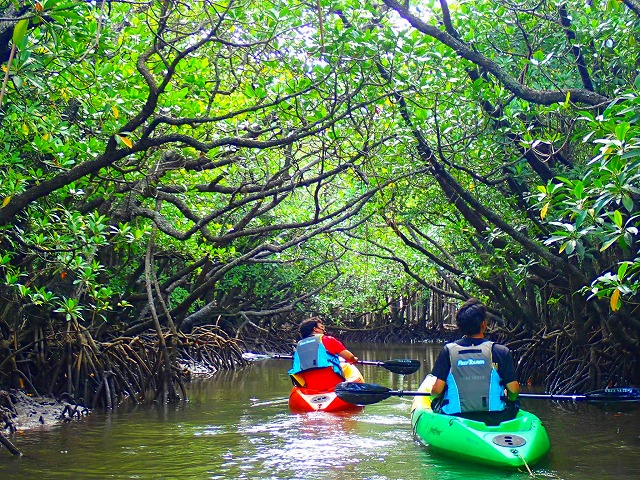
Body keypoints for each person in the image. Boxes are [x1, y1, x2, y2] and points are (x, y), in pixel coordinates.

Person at [430, 298, 520, 424]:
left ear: (460, 326)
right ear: (483, 324)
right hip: (495, 417)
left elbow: (436, 391)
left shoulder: (448, 351)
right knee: (515, 401)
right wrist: (509, 399)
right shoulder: (500, 351)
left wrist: (435, 395)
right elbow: (514, 390)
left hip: (457, 417)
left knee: (436, 401)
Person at [288, 317, 359, 391]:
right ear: (315, 329)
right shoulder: (328, 340)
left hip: (311, 389)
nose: (323, 329)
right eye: (322, 327)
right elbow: (350, 357)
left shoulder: (299, 346)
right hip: (334, 386)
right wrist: (354, 359)